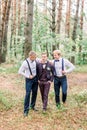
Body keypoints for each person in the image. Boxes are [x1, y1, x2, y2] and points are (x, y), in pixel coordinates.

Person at [18, 51, 38, 116]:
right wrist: (28, 76)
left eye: (35, 57)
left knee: (35, 92)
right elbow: (20, 71)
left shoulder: (36, 60)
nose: (35, 58)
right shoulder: (25, 63)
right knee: (28, 94)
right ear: (30, 56)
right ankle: (26, 110)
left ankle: (32, 106)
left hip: (35, 79)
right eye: (33, 57)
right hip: (29, 80)